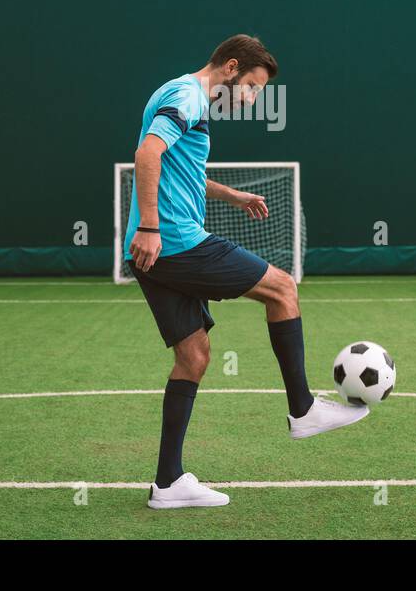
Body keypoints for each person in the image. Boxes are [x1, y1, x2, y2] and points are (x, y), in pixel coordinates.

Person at [125, 34, 368, 510]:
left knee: (192, 357)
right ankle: (303, 410)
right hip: (173, 243)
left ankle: (168, 483)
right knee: (282, 288)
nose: (253, 99)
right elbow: (147, 156)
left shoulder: (179, 93)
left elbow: (179, 168)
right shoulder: (188, 96)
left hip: (153, 255)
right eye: (253, 87)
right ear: (231, 68)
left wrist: (231, 196)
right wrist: (152, 227)